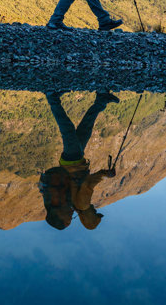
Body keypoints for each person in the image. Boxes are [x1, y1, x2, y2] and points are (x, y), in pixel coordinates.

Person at [39, 91, 118, 230]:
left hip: (74, 162)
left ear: (90, 217)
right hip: (71, 163)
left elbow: (88, 183)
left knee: (67, 130)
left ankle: (52, 98)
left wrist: (106, 173)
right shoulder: (73, 205)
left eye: (96, 214)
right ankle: (101, 100)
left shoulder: (82, 205)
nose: (96, 211)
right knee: (85, 129)